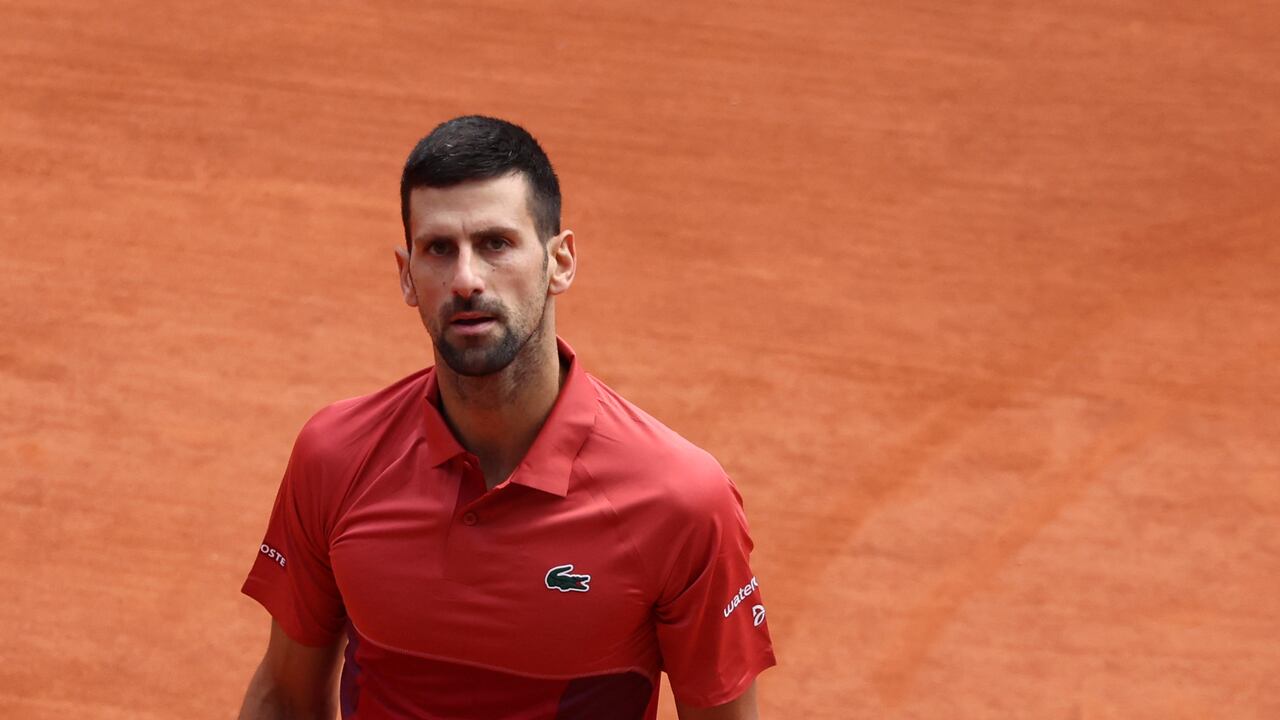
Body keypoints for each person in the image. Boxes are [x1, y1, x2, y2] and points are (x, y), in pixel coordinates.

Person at [237, 115, 776, 720]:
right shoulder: (335, 457)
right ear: (407, 276)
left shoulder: (679, 500)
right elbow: (284, 697)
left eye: (496, 243)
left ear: (560, 262)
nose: (466, 279)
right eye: (439, 249)